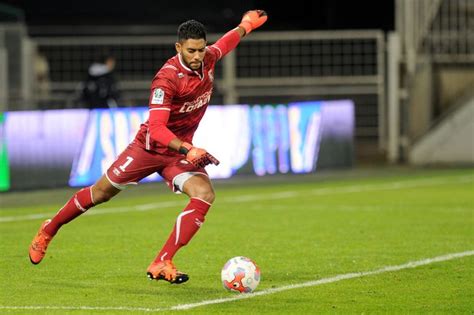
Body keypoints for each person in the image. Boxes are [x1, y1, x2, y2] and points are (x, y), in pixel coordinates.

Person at [29, 10, 268, 284]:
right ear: (178, 47)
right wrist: (187, 149)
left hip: (177, 154)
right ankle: (49, 229)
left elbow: (225, 42)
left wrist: (245, 25)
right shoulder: (166, 79)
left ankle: (163, 260)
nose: (197, 56)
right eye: (191, 51)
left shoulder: (208, 59)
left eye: (201, 50)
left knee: (203, 193)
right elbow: (156, 129)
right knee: (100, 193)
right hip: (148, 149)